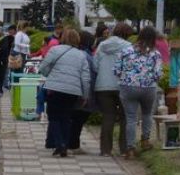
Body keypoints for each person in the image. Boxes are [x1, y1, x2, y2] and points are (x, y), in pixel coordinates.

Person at [38, 29, 91, 158]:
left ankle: (59, 144)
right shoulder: (81, 55)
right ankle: (64, 144)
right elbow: (85, 77)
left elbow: (43, 67)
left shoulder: (55, 50)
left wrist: (50, 75)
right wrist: (85, 94)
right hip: (72, 91)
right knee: (66, 118)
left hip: (55, 88)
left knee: (54, 117)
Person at [115, 25, 164, 158]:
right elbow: (158, 74)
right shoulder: (155, 54)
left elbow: (117, 70)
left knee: (130, 118)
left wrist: (127, 78)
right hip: (148, 88)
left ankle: (130, 148)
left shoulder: (126, 51)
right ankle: (145, 141)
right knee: (147, 114)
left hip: (128, 87)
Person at [93, 21, 132, 156]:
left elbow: (95, 65)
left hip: (103, 85)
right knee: (125, 117)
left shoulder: (102, 45)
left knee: (108, 116)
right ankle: (124, 148)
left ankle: (105, 150)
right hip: (123, 86)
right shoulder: (129, 47)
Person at [66, 31, 98, 154]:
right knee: (78, 119)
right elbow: (89, 77)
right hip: (83, 91)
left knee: (74, 118)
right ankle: (73, 144)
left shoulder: (75, 53)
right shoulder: (87, 57)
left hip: (72, 89)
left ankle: (70, 142)